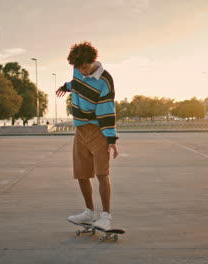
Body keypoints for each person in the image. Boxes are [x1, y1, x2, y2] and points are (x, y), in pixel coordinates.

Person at [56, 41, 119, 230]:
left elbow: (107, 109)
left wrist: (111, 139)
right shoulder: (77, 71)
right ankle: (89, 212)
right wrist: (66, 86)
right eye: (78, 68)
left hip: (98, 130)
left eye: (84, 67)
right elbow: (77, 83)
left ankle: (106, 216)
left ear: (92, 61)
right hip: (80, 131)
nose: (81, 71)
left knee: (101, 174)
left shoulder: (105, 80)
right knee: (82, 174)